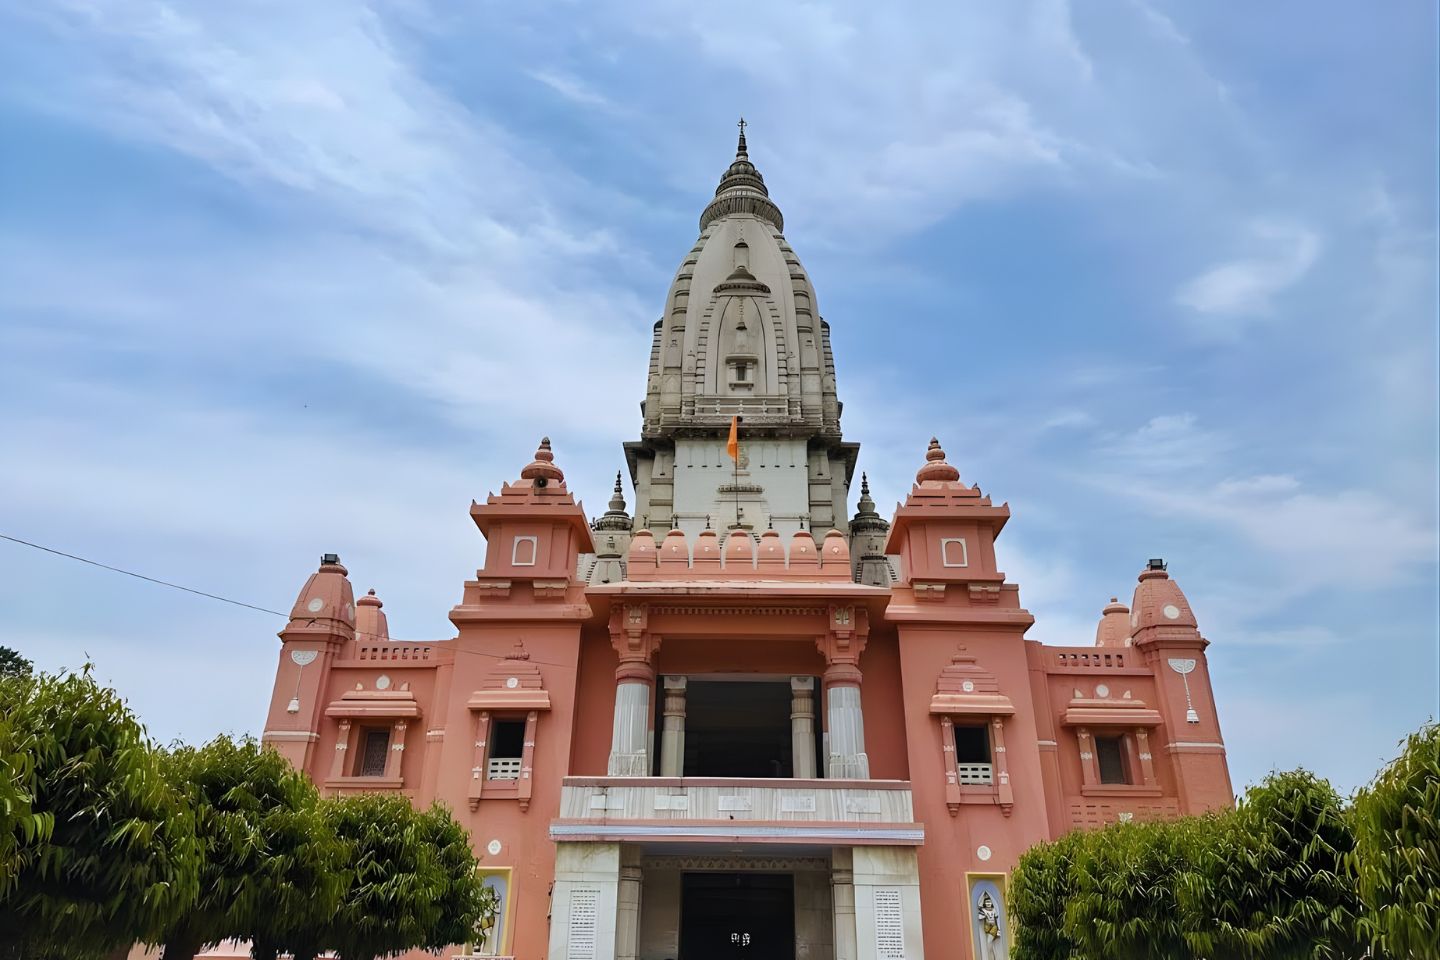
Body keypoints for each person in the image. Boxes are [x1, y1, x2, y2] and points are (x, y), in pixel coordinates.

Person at [976, 890, 1005, 960]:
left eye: (989, 902)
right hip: (987, 927)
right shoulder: (983, 910)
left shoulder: (994, 910)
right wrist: (983, 896)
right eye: (986, 902)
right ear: (985, 903)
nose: (988, 903)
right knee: (990, 945)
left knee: (989, 942)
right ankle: (993, 957)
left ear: (991, 902)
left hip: (993, 927)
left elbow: (997, 919)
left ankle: (993, 958)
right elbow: (980, 916)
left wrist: (999, 930)